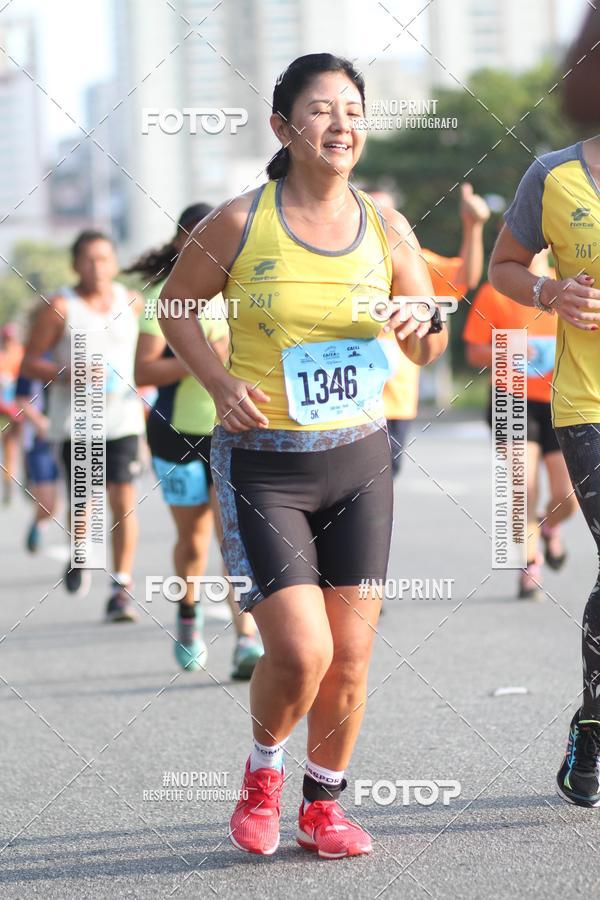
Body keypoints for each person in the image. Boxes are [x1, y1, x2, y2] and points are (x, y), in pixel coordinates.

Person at [158, 53, 448, 858]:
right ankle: (262, 776)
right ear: (283, 128)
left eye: (352, 110)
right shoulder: (238, 222)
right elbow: (176, 305)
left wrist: (421, 324)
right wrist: (219, 382)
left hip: (359, 460)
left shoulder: (387, 225)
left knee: (350, 657)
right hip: (264, 464)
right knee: (301, 651)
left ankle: (324, 806)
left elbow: (429, 341)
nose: (341, 124)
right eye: (321, 110)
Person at [489, 135, 600, 808]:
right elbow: (502, 266)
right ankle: (594, 730)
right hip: (587, 405)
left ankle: (592, 718)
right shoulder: (554, 175)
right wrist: (550, 290)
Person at [131, 204, 263, 679]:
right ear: (178, 242)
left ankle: (246, 639)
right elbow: (144, 370)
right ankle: (189, 617)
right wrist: (201, 358)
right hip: (176, 437)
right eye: (194, 238)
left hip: (234, 431)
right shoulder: (162, 298)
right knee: (192, 539)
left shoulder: (244, 292)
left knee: (234, 539)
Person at [21, 230, 145, 621]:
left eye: (104, 259)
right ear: (75, 264)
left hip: (123, 419)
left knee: (123, 498)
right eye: (89, 260)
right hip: (76, 422)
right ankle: (80, 553)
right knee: (84, 500)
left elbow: (146, 356)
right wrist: (65, 372)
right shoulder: (60, 306)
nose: (97, 267)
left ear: (115, 262)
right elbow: (28, 363)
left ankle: (121, 587)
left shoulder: (132, 301)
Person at [464, 249, 577, 601]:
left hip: (560, 400)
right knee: (522, 487)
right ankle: (530, 565)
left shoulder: (568, 285)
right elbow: (473, 351)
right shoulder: (495, 289)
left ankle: (548, 525)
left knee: (568, 495)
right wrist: (506, 350)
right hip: (511, 399)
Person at [367, 184, 489, 475]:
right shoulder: (335, 261)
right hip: (346, 399)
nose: (380, 218)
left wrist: (472, 226)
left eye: (387, 211)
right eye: (372, 211)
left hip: (395, 402)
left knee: (383, 481)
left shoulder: (410, 259)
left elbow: (464, 277)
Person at [15, 348, 60, 553]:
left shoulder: (70, 354)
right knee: (48, 504)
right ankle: (38, 523)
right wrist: (40, 423)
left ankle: (79, 554)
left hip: (68, 436)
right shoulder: (33, 360)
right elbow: (21, 398)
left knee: (77, 502)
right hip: (39, 442)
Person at [0, 322, 24, 505]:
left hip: (16, 407)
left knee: (13, 447)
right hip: (3, 407)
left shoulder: (21, 354)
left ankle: (12, 482)